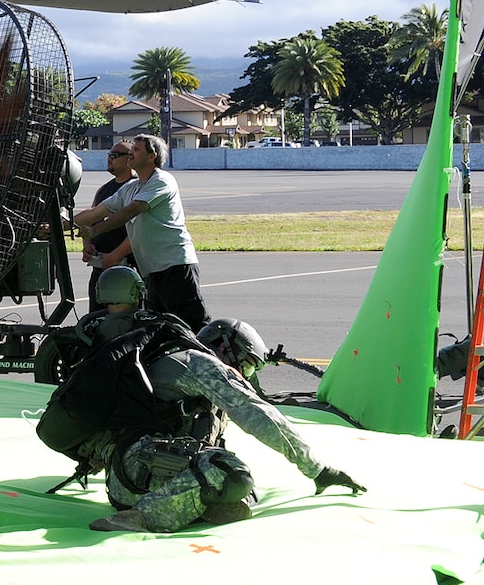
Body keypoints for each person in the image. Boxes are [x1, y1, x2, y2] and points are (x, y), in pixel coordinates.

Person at [36, 266, 363, 534]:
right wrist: (317, 468)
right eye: (246, 364)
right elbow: (255, 412)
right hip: (139, 477)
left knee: (240, 491)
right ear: (225, 348)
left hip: (128, 473)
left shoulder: (127, 357)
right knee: (231, 474)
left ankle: (172, 507)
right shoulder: (197, 365)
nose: (244, 374)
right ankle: (142, 517)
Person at [73, 134, 205, 329]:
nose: (130, 154)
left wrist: (96, 231)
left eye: (136, 150)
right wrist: (58, 225)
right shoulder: (130, 188)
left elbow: (131, 210)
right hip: (152, 271)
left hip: (176, 266)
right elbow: (95, 212)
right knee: (159, 329)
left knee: (192, 325)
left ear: (152, 156)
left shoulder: (162, 180)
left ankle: (208, 359)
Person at [82, 145, 133, 272]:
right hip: (101, 265)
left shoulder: (136, 188)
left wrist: (115, 255)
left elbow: (139, 232)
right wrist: (87, 245)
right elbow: (90, 220)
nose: (109, 159)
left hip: (128, 265)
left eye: (114, 156)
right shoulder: (103, 190)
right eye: (109, 155)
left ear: (130, 158)